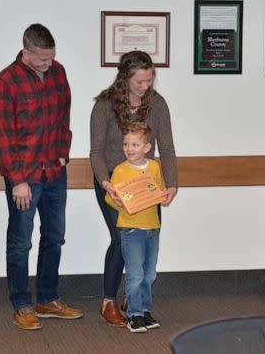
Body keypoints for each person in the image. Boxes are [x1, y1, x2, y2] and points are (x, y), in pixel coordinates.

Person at [0, 23, 82, 331]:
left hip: (54, 171)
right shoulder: (7, 81)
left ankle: (47, 299)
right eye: (43, 59)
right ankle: (22, 303)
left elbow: (64, 116)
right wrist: (17, 180)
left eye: (51, 57)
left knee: (54, 237)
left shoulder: (58, 73)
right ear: (26, 52)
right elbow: (4, 135)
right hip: (24, 176)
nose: (49, 63)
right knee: (20, 243)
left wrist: (63, 151)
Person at [90, 50, 178, 327]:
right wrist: (106, 183)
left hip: (146, 181)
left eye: (149, 80)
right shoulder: (104, 104)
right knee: (121, 238)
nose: (145, 86)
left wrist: (172, 184)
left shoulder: (158, 104)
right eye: (139, 81)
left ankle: (135, 299)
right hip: (113, 181)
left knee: (148, 238)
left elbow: (167, 147)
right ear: (125, 78)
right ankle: (108, 301)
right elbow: (96, 152)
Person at [105, 122, 167, 333]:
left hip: (152, 227)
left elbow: (159, 192)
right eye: (126, 144)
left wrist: (164, 196)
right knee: (135, 274)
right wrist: (118, 202)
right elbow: (110, 198)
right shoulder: (120, 171)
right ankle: (134, 314)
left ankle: (144, 310)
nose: (129, 149)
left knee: (149, 273)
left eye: (134, 144)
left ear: (146, 148)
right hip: (131, 230)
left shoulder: (155, 167)